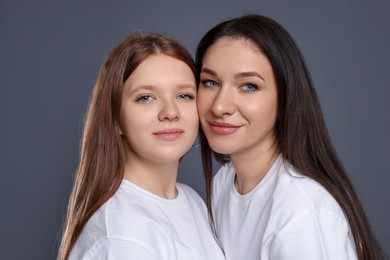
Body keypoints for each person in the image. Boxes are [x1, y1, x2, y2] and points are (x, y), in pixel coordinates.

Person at [196, 14, 386, 260]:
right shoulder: (225, 182)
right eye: (210, 82)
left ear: (286, 96)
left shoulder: (302, 212)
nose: (220, 106)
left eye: (249, 86)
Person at [57, 32, 225, 260]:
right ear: (116, 119)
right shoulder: (121, 237)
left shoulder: (191, 201)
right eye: (146, 97)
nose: (170, 112)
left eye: (184, 95)